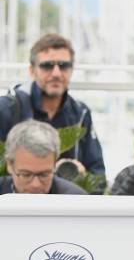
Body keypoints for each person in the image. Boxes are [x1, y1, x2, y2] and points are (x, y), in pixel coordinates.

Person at [0, 34, 105, 181]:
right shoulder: (7, 108)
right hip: (17, 200)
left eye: (64, 66)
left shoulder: (80, 113)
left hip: (67, 200)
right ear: (32, 71)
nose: (56, 73)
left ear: (72, 70)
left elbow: (98, 176)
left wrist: (81, 175)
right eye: (47, 66)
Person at [1, 120, 87, 194]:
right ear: (10, 165)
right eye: (26, 175)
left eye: (44, 175)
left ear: (54, 165)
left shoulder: (75, 200)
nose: (35, 185)